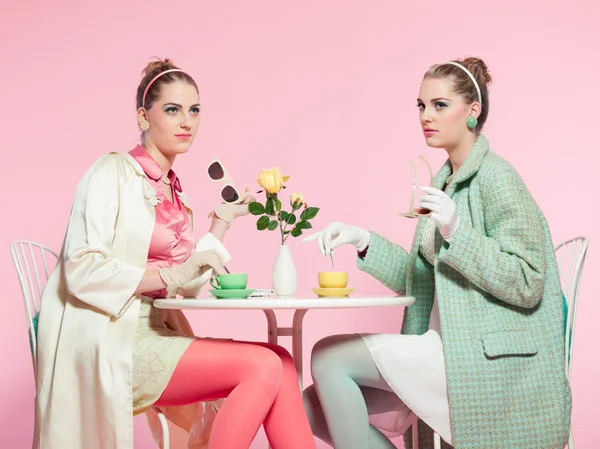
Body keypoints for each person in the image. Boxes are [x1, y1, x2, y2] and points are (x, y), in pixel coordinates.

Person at [35, 58, 317, 449]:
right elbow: (81, 269)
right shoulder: (110, 173)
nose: (187, 122)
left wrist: (219, 223)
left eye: (194, 110)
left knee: (281, 362)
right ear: (143, 116)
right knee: (264, 366)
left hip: (161, 330)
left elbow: (184, 288)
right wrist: (171, 276)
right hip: (115, 338)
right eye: (172, 110)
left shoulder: (173, 192)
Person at [302, 57, 571, 449]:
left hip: (481, 358)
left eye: (440, 105)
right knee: (309, 404)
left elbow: (528, 282)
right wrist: (362, 240)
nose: (426, 115)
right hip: (445, 348)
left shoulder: (497, 178)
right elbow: (420, 278)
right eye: (421, 105)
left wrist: (456, 229)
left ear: (472, 112)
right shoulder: (446, 180)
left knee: (328, 357)